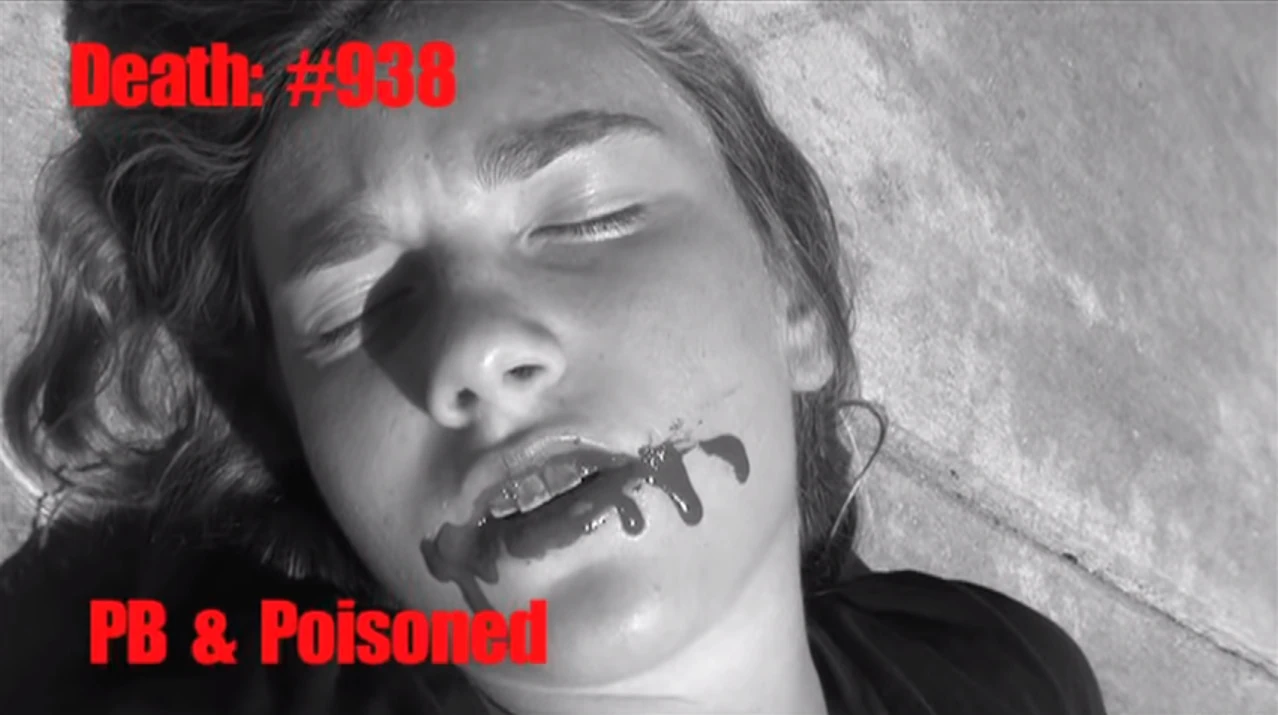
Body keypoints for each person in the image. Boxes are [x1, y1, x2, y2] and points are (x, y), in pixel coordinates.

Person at [0, 2, 1108, 713]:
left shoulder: (1006, 672)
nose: (475, 348)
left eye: (587, 219)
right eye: (347, 315)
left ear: (796, 300)